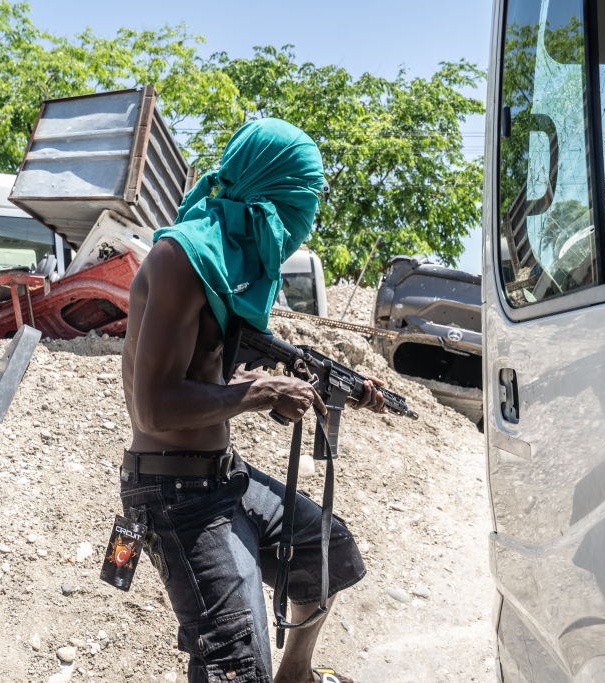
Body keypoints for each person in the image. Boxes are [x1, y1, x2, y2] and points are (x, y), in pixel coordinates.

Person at [121, 118, 384, 683]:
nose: (307, 216)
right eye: (303, 199)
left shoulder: (234, 265)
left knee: (325, 550)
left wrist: (325, 380)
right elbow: (154, 408)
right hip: (172, 491)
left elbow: (221, 359)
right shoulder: (183, 259)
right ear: (272, 191)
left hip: (220, 475)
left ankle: (296, 676)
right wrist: (263, 393)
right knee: (236, 667)